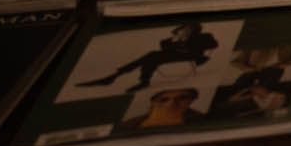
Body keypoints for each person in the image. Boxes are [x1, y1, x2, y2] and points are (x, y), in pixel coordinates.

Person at [84, 21, 217, 92]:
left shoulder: (203, 37)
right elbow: (166, 50)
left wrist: (194, 46)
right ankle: (136, 80)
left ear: (194, 30)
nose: (184, 31)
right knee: (152, 57)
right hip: (174, 56)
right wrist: (176, 40)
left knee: (152, 55)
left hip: (190, 56)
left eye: (188, 29)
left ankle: (115, 77)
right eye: (183, 29)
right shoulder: (168, 40)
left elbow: (213, 45)